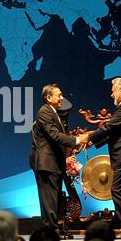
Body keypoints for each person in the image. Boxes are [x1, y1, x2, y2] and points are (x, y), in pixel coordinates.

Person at [29, 84, 87, 233]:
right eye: (59, 95)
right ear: (49, 98)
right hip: (46, 162)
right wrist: (76, 140)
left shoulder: (55, 113)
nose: (62, 98)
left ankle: (53, 229)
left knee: (53, 197)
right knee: (49, 199)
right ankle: (51, 231)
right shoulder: (45, 112)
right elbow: (55, 136)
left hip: (53, 163)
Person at [86, 77, 121, 224]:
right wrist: (92, 142)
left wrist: (88, 138)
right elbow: (116, 132)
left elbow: (109, 127)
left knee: (118, 191)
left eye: (113, 91)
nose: (112, 95)